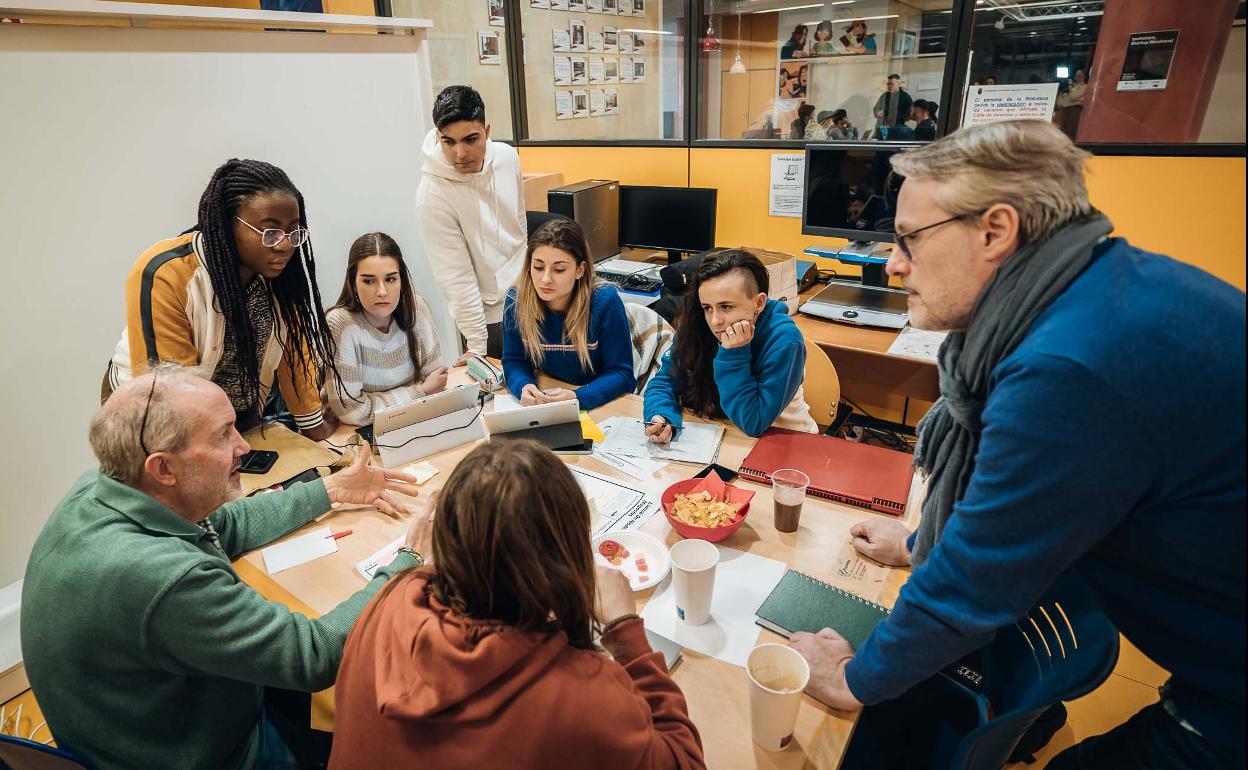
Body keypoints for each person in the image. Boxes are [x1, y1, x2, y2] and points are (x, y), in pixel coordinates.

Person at [789, 120, 1245, 770]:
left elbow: (973, 582)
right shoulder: (1101, 285)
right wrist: (919, 544)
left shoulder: (1069, 367)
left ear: (996, 231)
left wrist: (852, 677)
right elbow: (1019, 512)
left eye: (909, 239)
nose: (893, 264)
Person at [21, 367, 431, 770]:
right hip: (214, 753)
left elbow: (223, 525)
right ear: (163, 468)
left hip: (149, 721)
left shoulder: (104, 487)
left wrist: (331, 489)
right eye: (222, 436)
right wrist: (407, 562)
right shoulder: (164, 580)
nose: (243, 446)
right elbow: (313, 655)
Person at [328, 439, 706, 770]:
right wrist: (625, 628)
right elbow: (683, 760)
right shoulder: (583, 698)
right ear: (566, 560)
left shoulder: (392, 596)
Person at [106, 158, 340, 440]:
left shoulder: (281, 276)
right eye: (270, 232)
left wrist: (315, 427)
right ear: (228, 224)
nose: (285, 245)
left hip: (234, 413)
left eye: (293, 231)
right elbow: (171, 390)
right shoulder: (164, 273)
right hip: (149, 416)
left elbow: (294, 351)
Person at [643, 250, 817, 441]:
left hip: (783, 440)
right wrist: (660, 415)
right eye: (707, 307)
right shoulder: (697, 324)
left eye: (726, 307)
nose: (715, 320)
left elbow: (753, 424)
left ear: (758, 303)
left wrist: (733, 354)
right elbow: (664, 382)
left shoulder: (784, 340)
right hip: (724, 434)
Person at [416, 85, 526, 360]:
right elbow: (455, 277)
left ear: (487, 131)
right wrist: (477, 344)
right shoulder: (433, 194)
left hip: (531, 298)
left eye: (470, 139)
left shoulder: (507, 157)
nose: (460, 153)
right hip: (490, 320)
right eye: (448, 142)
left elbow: (519, 224)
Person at [502, 218, 635, 410]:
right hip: (549, 398)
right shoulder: (516, 302)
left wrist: (577, 396)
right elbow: (514, 360)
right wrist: (523, 385)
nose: (545, 279)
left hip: (599, 402)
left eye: (559, 269)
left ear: (580, 270)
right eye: (538, 267)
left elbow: (621, 372)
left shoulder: (605, 302)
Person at [324, 232, 448, 427]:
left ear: (401, 280)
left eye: (390, 279)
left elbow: (437, 382)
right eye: (368, 281)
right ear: (353, 284)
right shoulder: (340, 323)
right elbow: (352, 411)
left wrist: (378, 402)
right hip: (357, 433)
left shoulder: (416, 308)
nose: (381, 291)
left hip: (414, 421)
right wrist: (419, 392)